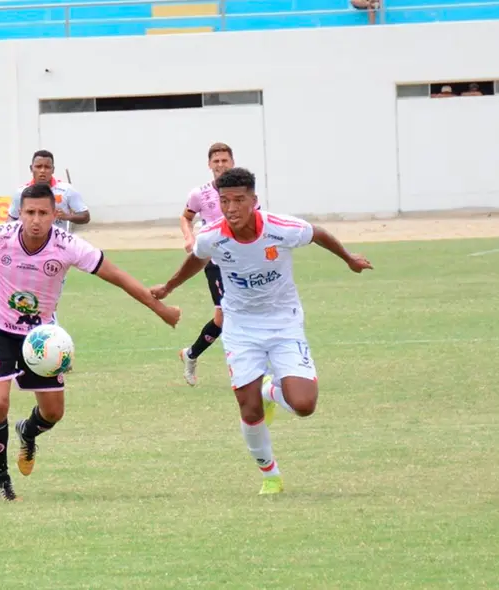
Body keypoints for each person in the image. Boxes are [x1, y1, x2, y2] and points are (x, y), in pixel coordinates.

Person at [0, 182, 181, 502]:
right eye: (29, 212)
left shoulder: (68, 245)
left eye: (43, 213)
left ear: (55, 214)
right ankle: (2, 483)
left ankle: (28, 431)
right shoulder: (0, 236)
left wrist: (159, 309)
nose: (35, 219)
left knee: (53, 413)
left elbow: (117, 276)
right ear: (19, 213)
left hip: (42, 338)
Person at [150, 168, 372, 495]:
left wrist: (349, 259)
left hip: (284, 323)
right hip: (240, 327)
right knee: (248, 408)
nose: (231, 208)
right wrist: (169, 286)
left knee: (304, 405)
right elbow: (198, 258)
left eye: (239, 200)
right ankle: (270, 475)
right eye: (225, 201)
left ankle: (271, 390)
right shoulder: (212, 235)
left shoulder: (281, 229)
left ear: (255, 200)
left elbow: (318, 234)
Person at [177, 142, 237, 386]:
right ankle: (195, 355)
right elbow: (186, 217)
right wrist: (189, 237)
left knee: (238, 314)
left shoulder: (242, 191)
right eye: (216, 161)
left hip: (242, 260)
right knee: (224, 317)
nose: (220, 165)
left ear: (232, 162)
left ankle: (191, 353)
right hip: (215, 261)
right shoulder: (199, 193)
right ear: (209, 164)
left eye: (224, 160)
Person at [7, 150, 90, 233]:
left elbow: (85, 217)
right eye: (38, 166)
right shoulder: (20, 193)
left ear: (53, 170)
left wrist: (67, 216)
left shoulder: (66, 190)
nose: (42, 170)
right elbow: (11, 219)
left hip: (59, 243)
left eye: (47, 167)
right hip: (30, 243)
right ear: (31, 168)